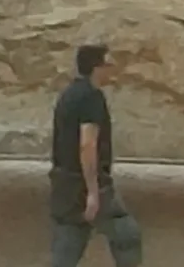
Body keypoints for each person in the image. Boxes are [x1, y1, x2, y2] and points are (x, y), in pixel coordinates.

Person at [50, 43, 139, 267]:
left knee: (69, 242)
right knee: (126, 235)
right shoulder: (92, 97)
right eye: (108, 64)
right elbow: (87, 144)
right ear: (96, 67)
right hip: (84, 184)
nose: (111, 70)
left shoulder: (69, 95)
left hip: (64, 183)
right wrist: (93, 191)